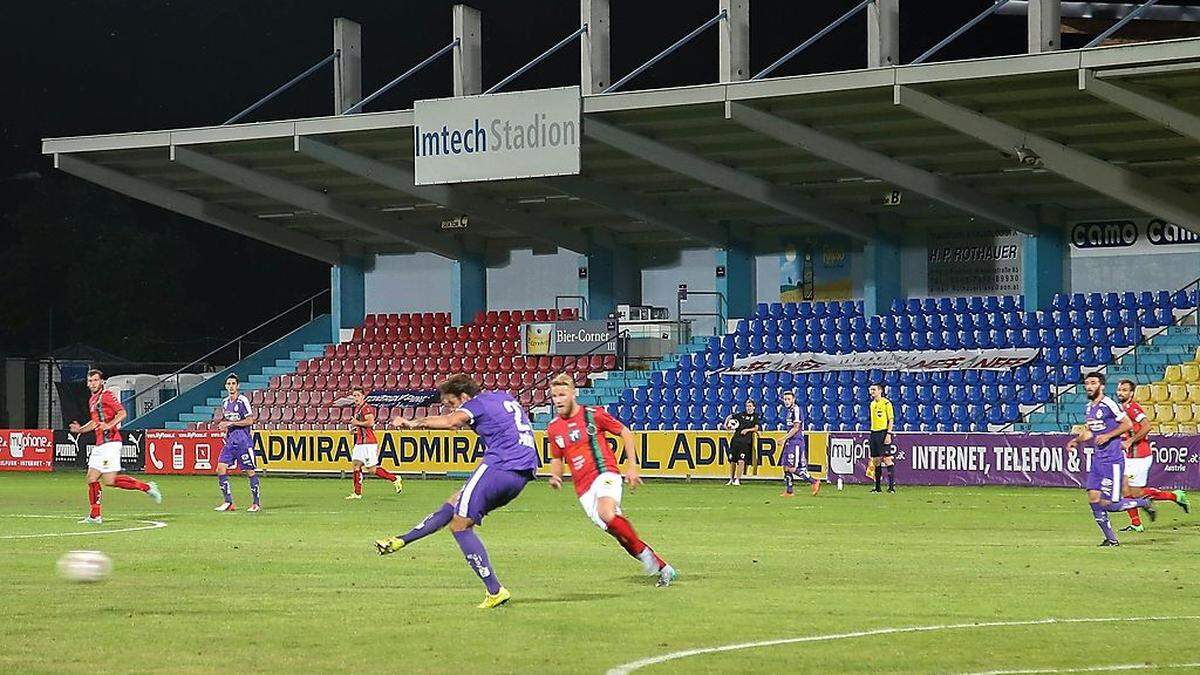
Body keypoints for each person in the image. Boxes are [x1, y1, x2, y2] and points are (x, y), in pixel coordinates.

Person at [374, 375, 538, 609]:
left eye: (451, 403)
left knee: (460, 524)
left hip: (501, 464)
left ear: (463, 397)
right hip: (523, 471)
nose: (451, 409)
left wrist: (412, 424)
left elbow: (452, 422)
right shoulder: (502, 396)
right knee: (455, 503)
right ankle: (402, 540)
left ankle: (495, 590)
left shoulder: (475, 404)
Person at [545, 374, 677, 587]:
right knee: (620, 535)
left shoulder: (593, 415)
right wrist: (555, 475)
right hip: (583, 490)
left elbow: (625, 432)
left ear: (573, 394)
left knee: (606, 513)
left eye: (562, 394)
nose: (558, 400)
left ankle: (651, 560)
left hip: (605, 473)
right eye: (554, 396)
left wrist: (632, 466)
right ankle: (662, 566)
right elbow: (557, 457)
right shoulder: (553, 428)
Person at [1066, 372, 1157, 546]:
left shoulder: (1109, 404)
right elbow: (1090, 431)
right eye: (1087, 383)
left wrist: (1108, 436)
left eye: (1093, 383)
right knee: (1093, 498)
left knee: (1109, 504)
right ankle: (1111, 539)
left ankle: (1143, 502)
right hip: (1098, 461)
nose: (1089, 386)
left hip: (1113, 461)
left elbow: (1127, 424)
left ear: (1101, 386)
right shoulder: (1088, 408)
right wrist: (1076, 440)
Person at [70, 369, 161, 524]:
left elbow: (122, 413)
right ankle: (95, 516)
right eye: (90, 381)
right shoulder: (92, 400)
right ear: (87, 383)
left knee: (110, 481)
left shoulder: (106, 395)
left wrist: (109, 425)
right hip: (99, 445)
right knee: (91, 478)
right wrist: (80, 430)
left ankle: (147, 487)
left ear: (101, 381)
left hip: (111, 443)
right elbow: (95, 422)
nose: (93, 383)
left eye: (95, 380)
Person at [1115, 379, 1189, 532]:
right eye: (1119, 390)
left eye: (1124, 390)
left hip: (1140, 456)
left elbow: (1147, 426)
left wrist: (1130, 441)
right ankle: (1136, 524)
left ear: (1131, 393)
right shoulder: (1121, 408)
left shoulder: (1133, 408)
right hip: (1130, 457)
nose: (1121, 393)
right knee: (1126, 490)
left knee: (1136, 493)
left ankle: (1175, 496)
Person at [213, 374, 261, 513]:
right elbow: (228, 420)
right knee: (220, 469)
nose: (231, 386)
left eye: (233, 383)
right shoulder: (225, 403)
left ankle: (256, 504)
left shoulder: (242, 401)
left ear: (238, 386)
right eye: (229, 383)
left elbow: (250, 420)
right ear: (226, 386)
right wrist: (225, 427)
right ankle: (228, 502)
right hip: (230, 441)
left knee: (249, 471)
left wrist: (231, 423)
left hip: (243, 441)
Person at [345, 387, 402, 499]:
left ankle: (394, 478)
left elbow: (370, 422)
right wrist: (354, 429)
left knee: (371, 469)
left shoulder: (366, 408)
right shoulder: (357, 409)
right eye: (354, 395)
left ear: (363, 396)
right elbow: (362, 425)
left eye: (358, 395)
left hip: (368, 443)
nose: (356, 398)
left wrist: (357, 423)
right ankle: (357, 493)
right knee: (356, 465)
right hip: (360, 441)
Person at [779, 390, 819, 497]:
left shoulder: (796, 409)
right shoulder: (789, 411)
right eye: (785, 399)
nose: (786, 401)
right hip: (790, 441)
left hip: (796, 441)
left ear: (793, 400)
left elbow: (796, 428)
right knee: (785, 466)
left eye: (789, 399)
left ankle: (813, 481)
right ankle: (789, 491)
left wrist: (784, 438)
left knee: (791, 467)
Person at [867, 383, 896, 493]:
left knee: (887, 459)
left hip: (883, 433)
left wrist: (888, 434)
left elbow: (891, 419)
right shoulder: (872, 404)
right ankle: (878, 487)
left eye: (874, 389)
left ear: (880, 391)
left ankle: (891, 487)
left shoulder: (886, 403)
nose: (872, 392)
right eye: (871, 389)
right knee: (876, 460)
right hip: (874, 433)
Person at [724, 400, 759, 486]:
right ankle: (731, 479)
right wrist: (725, 424)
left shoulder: (755, 416)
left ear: (754, 407)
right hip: (735, 440)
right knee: (732, 460)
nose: (748, 408)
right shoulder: (741, 415)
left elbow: (756, 428)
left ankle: (737, 479)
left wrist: (747, 430)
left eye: (750, 406)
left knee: (741, 460)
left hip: (745, 442)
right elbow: (730, 416)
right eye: (747, 406)